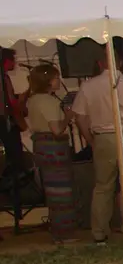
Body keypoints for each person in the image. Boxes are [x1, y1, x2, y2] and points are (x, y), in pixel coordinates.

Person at [70, 52, 123, 244]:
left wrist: (91, 139)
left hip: (104, 137)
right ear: (121, 63)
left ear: (100, 63)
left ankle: (99, 232)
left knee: (103, 186)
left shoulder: (88, 86)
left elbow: (80, 117)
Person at [23, 64, 79, 243]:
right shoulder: (48, 101)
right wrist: (68, 117)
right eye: (56, 77)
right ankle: (65, 233)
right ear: (47, 81)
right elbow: (56, 129)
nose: (58, 81)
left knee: (53, 191)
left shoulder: (33, 100)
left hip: (42, 147)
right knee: (61, 191)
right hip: (54, 149)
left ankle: (57, 230)